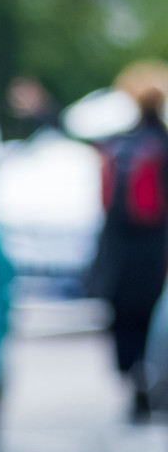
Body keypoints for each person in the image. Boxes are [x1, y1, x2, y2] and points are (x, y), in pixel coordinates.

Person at [93, 61, 168, 421]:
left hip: (119, 248)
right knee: (154, 315)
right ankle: (152, 379)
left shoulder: (118, 144)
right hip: (156, 246)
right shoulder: (163, 144)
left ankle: (134, 378)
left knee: (124, 318)